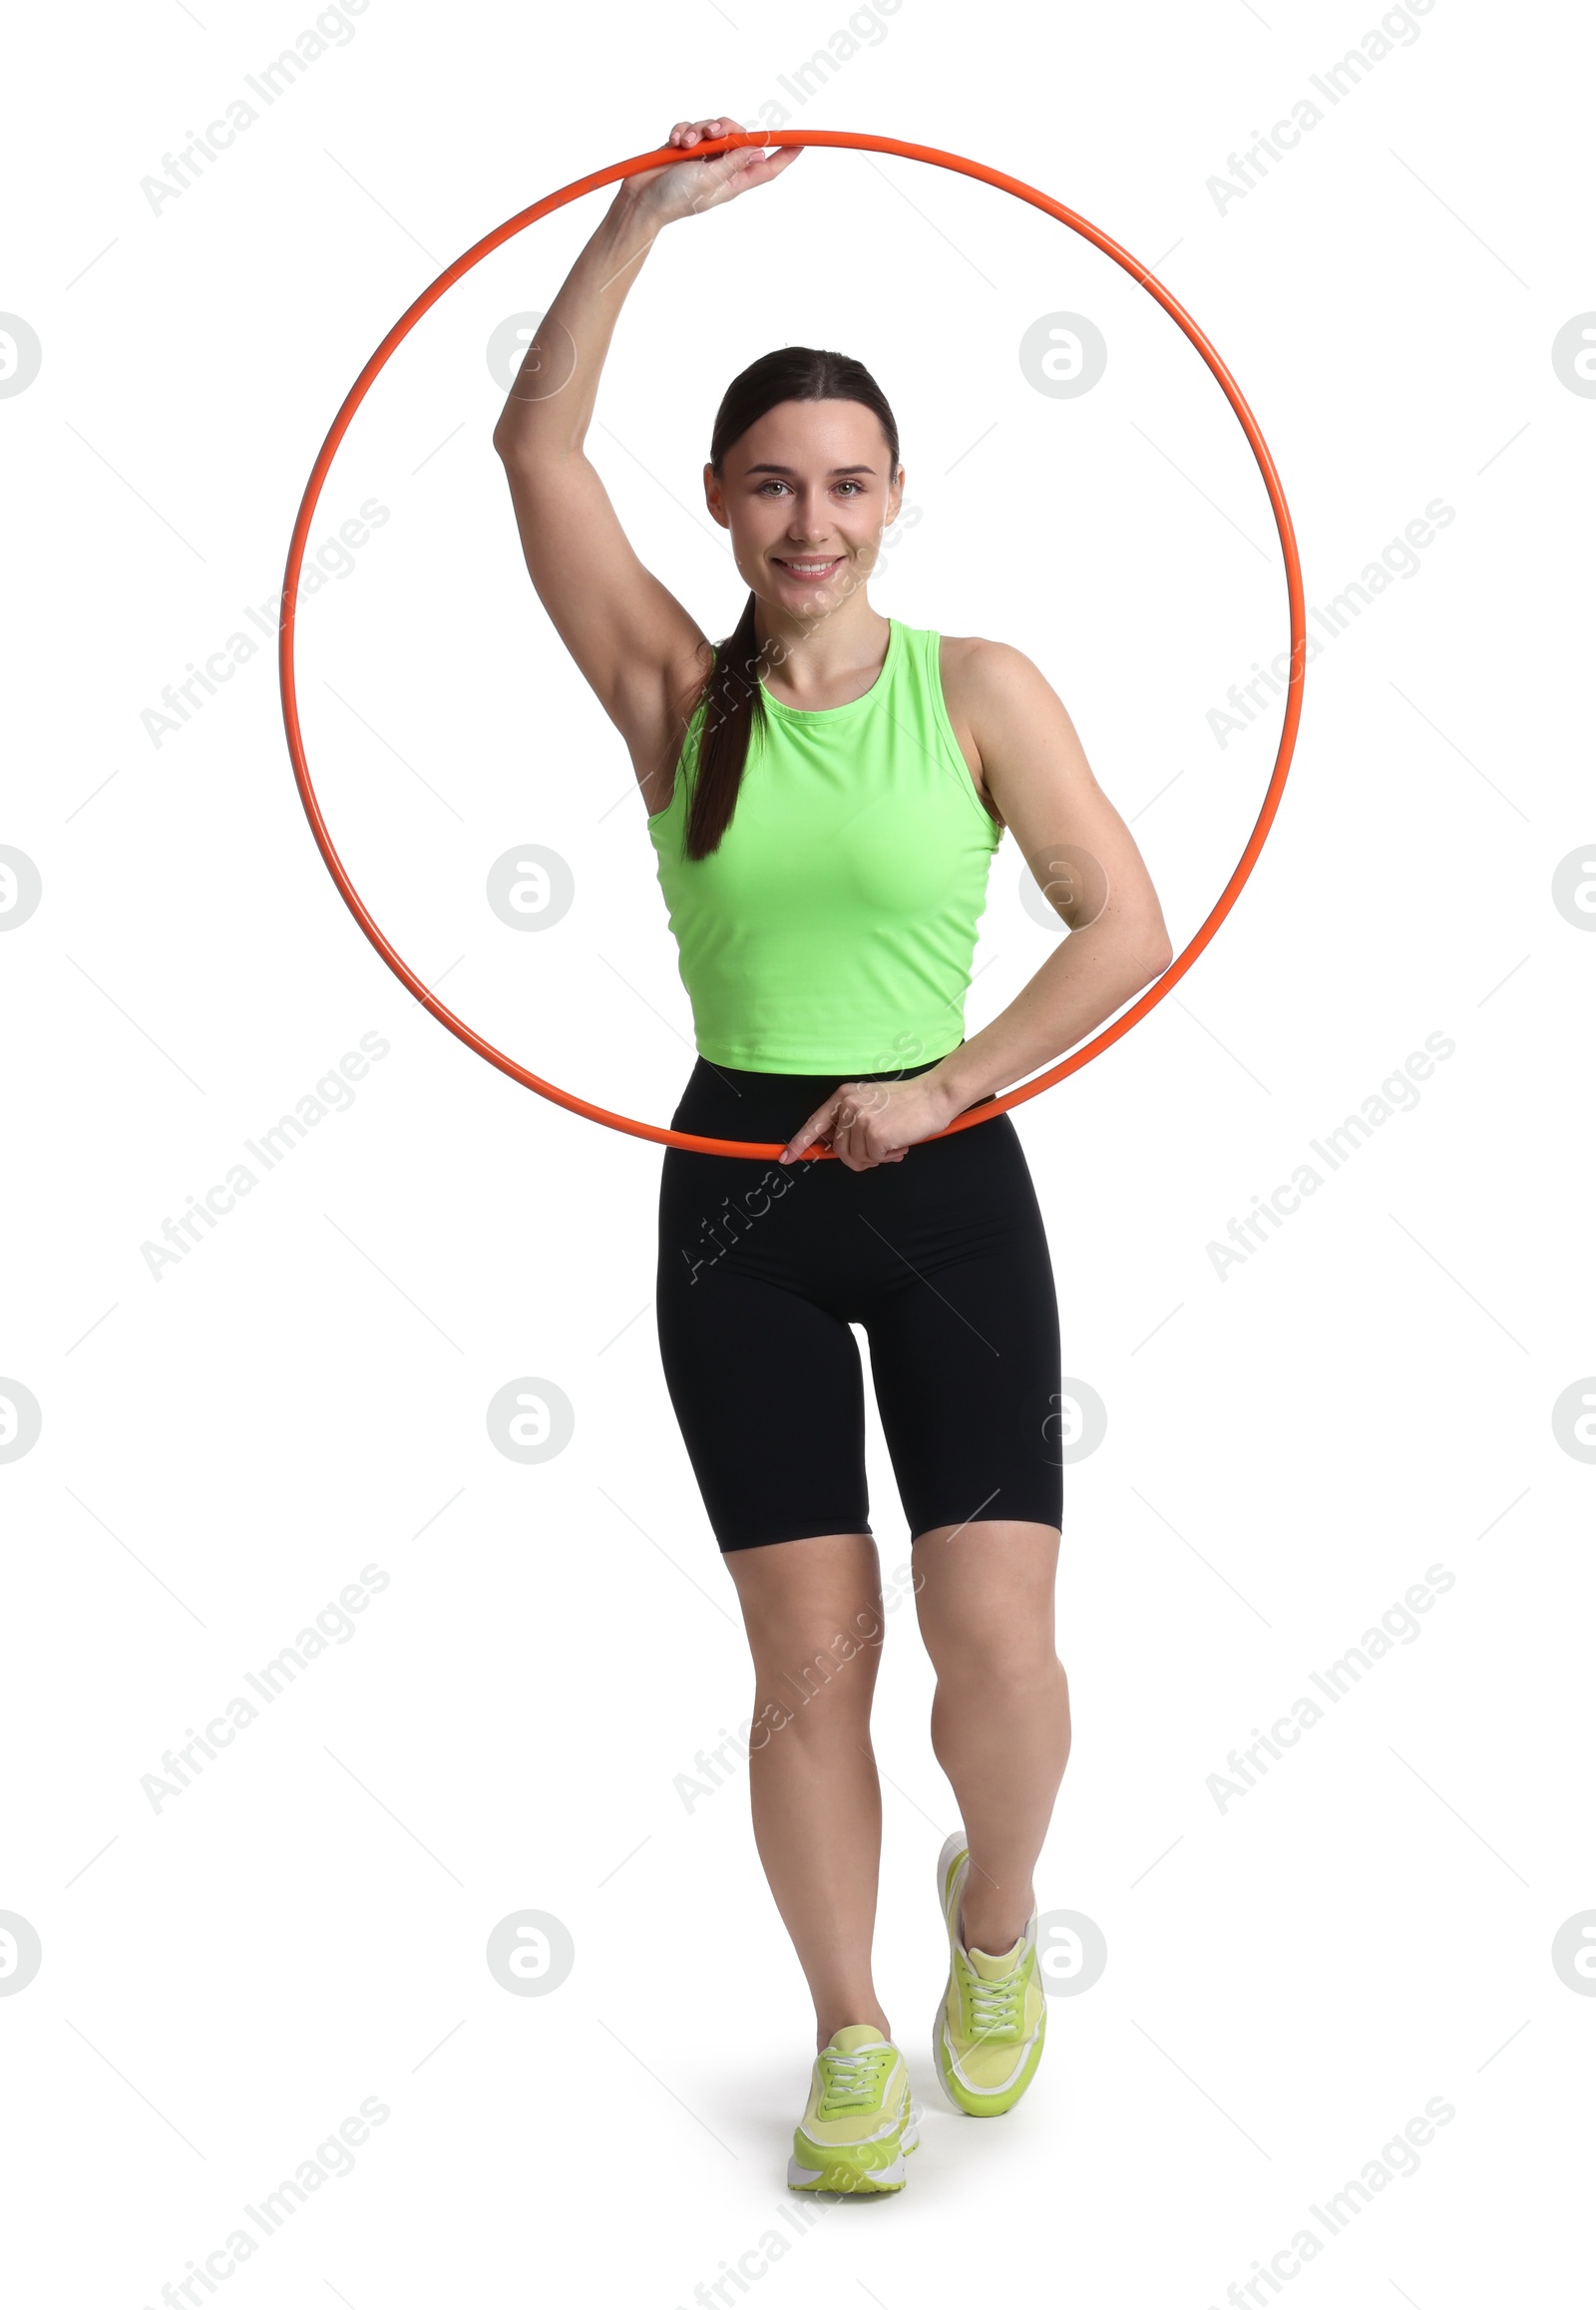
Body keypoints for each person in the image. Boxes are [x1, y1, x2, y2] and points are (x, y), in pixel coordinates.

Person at [493, 116, 1173, 2195]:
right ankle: (848, 2036)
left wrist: (944, 1084)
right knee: (807, 1663)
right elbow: (534, 456)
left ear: (894, 502)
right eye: (773, 485)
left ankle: (990, 1918)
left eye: (848, 486)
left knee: (1002, 1664)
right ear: (720, 502)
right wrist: (634, 221)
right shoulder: (668, 697)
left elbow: (1117, 923)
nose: (812, 520)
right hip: (736, 1200)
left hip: (949, 1188)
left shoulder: (976, 688)